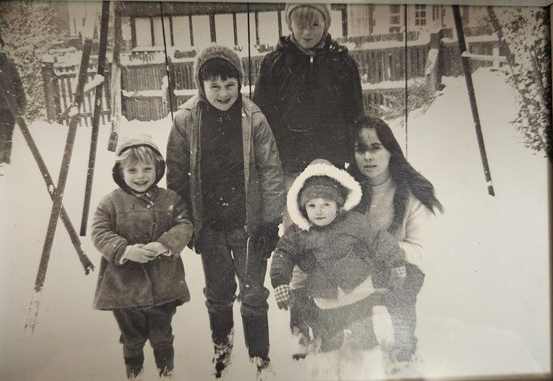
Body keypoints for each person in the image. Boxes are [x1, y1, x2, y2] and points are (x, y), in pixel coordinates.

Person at [166, 44, 284, 380]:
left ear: (240, 83)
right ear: (200, 86)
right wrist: (185, 222)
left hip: (248, 225)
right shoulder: (186, 119)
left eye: (230, 85)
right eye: (214, 86)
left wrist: (270, 223)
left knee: (253, 292)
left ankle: (260, 356)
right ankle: (222, 347)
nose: (223, 93)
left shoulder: (254, 118)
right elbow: (175, 174)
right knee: (218, 293)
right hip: (210, 227)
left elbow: (272, 172)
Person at [253, 3, 365, 358]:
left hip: (332, 168)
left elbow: (355, 113)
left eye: (314, 22)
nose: (306, 31)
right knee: (301, 244)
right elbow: (261, 118)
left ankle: (335, 322)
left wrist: (351, 161)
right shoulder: (273, 64)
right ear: (290, 25)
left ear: (325, 24)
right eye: (300, 24)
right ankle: (301, 324)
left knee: (334, 244)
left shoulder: (343, 63)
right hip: (291, 170)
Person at [270, 159, 407, 379]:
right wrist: (280, 282)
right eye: (312, 205)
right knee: (328, 341)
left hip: (359, 295)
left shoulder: (354, 222)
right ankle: (329, 374)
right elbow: (283, 254)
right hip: (325, 301)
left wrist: (396, 262)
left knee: (365, 336)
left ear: (338, 205)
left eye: (326, 204)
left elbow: (378, 238)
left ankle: (370, 372)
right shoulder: (300, 233)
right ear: (304, 208)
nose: (319, 211)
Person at [91, 134, 193, 380]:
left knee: (162, 333)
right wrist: (125, 250)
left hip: (164, 283)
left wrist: (164, 244)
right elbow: (99, 231)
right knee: (132, 336)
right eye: (132, 169)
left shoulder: (171, 200)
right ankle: (134, 372)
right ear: (120, 171)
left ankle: (166, 371)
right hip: (124, 288)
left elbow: (185, 225)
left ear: (157, 169)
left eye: (147, 168)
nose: (140, 175)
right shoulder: (111, 203)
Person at [347, 115, 444, 363]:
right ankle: (363, 345)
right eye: (360, 150)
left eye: (375, 148)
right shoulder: (346, 191)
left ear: (391, 151)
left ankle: (404, 347)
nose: (367, 157)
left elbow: (417, 249)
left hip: (396, 269)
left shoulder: (410, 193)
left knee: (403, 282)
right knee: (361, 339)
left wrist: (385, 248)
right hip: (358, 271)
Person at [0, 35, 27, 166]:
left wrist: (22, 104)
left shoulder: (8, 65)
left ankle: (5, 162)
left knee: (7, 136)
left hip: (9, 108)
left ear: (1, 47)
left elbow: (18, 85)